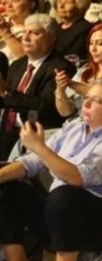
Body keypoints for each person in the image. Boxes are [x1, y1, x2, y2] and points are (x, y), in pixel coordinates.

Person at [0, 79, 102, 261]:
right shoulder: (74, 127)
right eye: (86, 98)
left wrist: (40, 147)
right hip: (67, 216)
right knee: (7, 182)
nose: (87, 104)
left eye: (96, 101)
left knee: (64, 194)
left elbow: (76, 177)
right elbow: (31, 163)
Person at [0, 14, 76, 159]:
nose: (26, 38)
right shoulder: (17, 65)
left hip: (38, 134)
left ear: (52, 38)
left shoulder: (61, 68)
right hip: (7, 130)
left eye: (35, 33)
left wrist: (6, 92)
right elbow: (6, 101)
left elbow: (45, 105)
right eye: (25, 32)